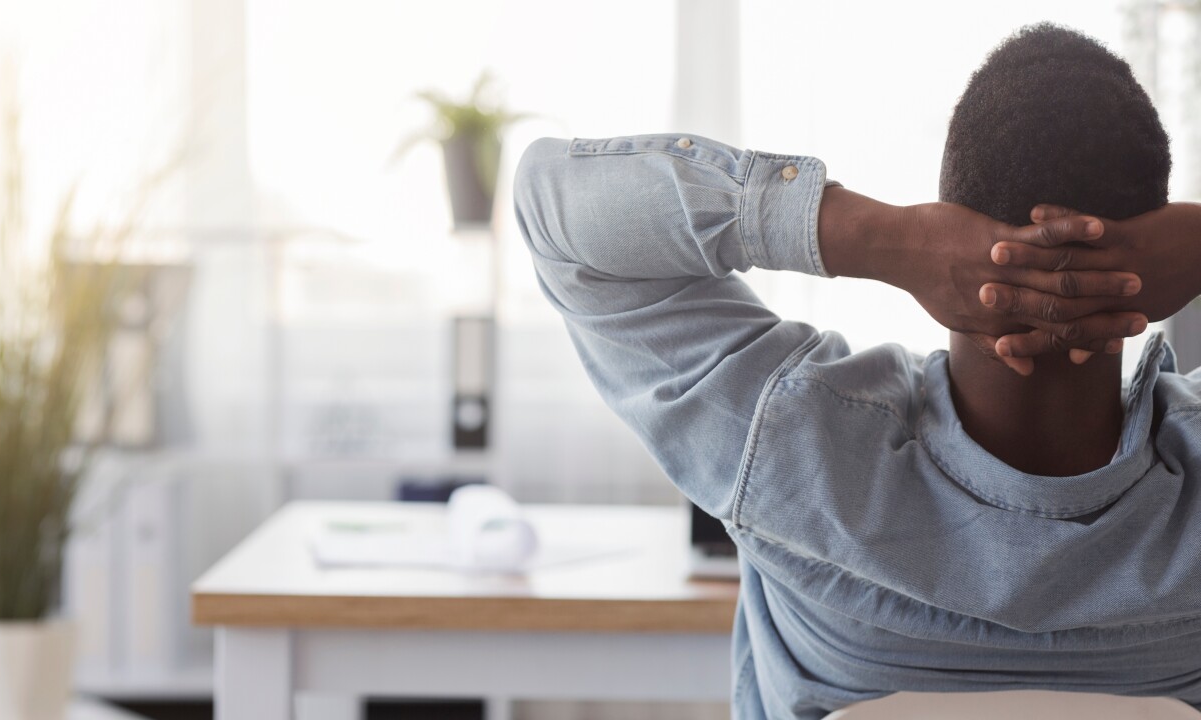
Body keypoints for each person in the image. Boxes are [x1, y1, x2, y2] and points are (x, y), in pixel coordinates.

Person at [513, 23, 1201, 720]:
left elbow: (555, 213)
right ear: (1154, 256)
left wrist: (886, 239)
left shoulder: (794, 450)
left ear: (950, 229)